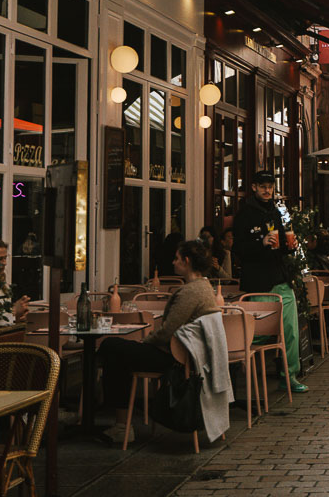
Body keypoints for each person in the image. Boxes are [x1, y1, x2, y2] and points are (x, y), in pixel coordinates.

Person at [98, 239, 219, 444]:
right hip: (184, 356)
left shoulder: (190, 292)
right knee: (115, 350)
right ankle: (119, 420)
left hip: (172, 357)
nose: (173, 262)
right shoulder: (205, 288)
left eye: (177, 258)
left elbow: (167, 331)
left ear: (187, 261)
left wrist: (146, 341)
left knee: (111, 348)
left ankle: (121, 426)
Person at [232, 171, 308, 393]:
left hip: (280, 280)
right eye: (263, 186)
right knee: (258, 334)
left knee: (291, 330)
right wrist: (261, 242)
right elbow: (238, 249)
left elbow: (281, 245)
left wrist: (288, 247)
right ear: (254, 187)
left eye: (270, 186)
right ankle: (246, 377)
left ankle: (289, 375)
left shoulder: (276, 212)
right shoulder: (244, 215)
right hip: (258, 282)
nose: (267, 190)